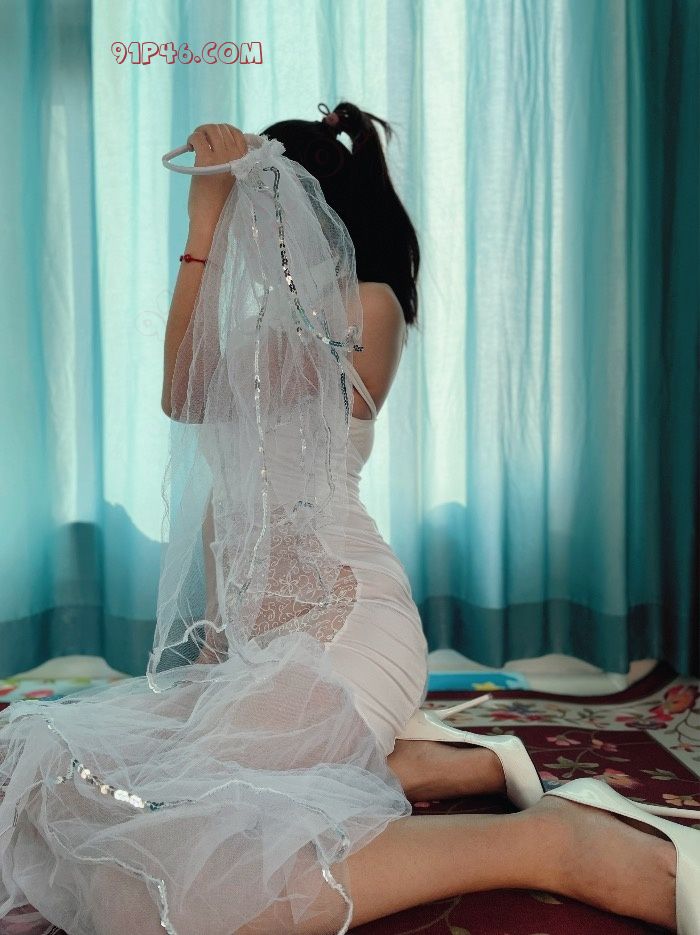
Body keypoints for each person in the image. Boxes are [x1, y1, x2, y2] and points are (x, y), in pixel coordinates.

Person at [0, 102, 694, 935]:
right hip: (265, 648)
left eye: (258, 210)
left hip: (345, 629)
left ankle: (547, 841)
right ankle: (430, 763)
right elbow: (220, 468)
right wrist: (219, 651)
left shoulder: (368, 307)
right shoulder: (256, 326)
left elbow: (186, 388)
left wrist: (205, 219)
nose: (250, 234)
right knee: (47, 778)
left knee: (157, 884)